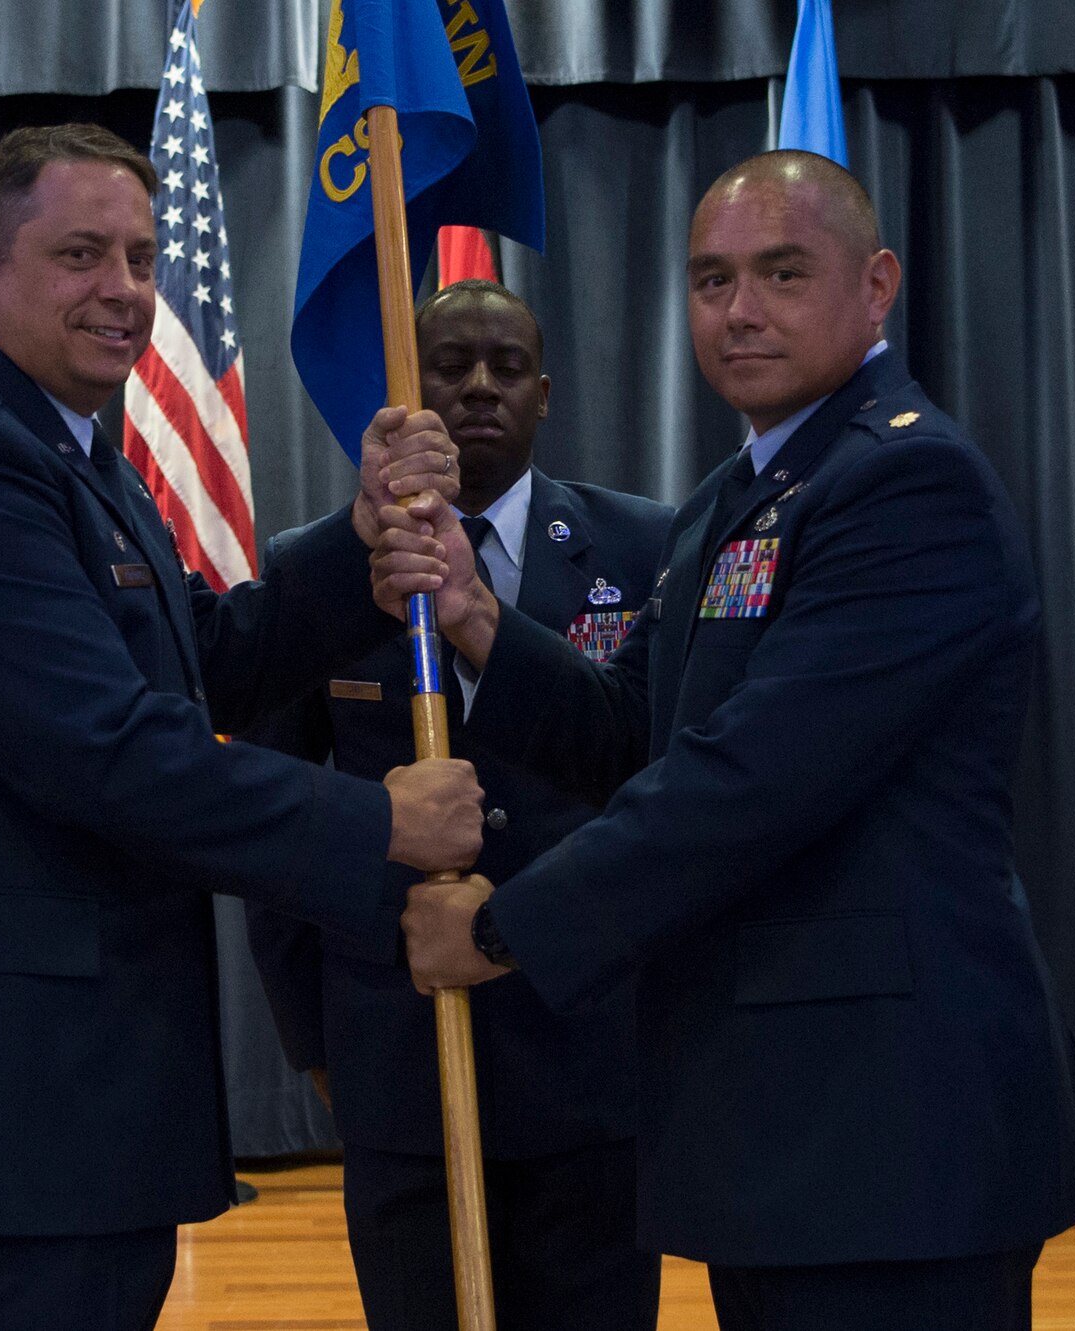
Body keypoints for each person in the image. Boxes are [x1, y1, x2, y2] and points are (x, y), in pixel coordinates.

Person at [381, 150, 1075, 1331]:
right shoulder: (741, 494)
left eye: (781, 273)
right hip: (779, 1113)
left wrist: (496, 928)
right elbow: (635, 726)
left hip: (889, 1119)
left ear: (875, 285)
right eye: (711, 279)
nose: (739, 310)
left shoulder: (901, 482)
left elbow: (747, 781)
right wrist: (478, 619)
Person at [0, 123, 486, 1330]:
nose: (122, 289)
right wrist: (375, 822)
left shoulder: (68, 450)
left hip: (63, 1109)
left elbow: (195, 661)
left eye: (141, 255)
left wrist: (361, 540)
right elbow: (107, 751)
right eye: (79, 255)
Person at [244, 280, 671, 1330]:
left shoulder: (646, 547)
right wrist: (314, 1044)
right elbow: (279, 830)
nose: (478, 386)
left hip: (591, 1051)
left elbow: (664, 787)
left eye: (505, 367)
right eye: (448, 366)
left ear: (544, 394)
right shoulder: (328, 572)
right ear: (408, 390)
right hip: (397, 1052)